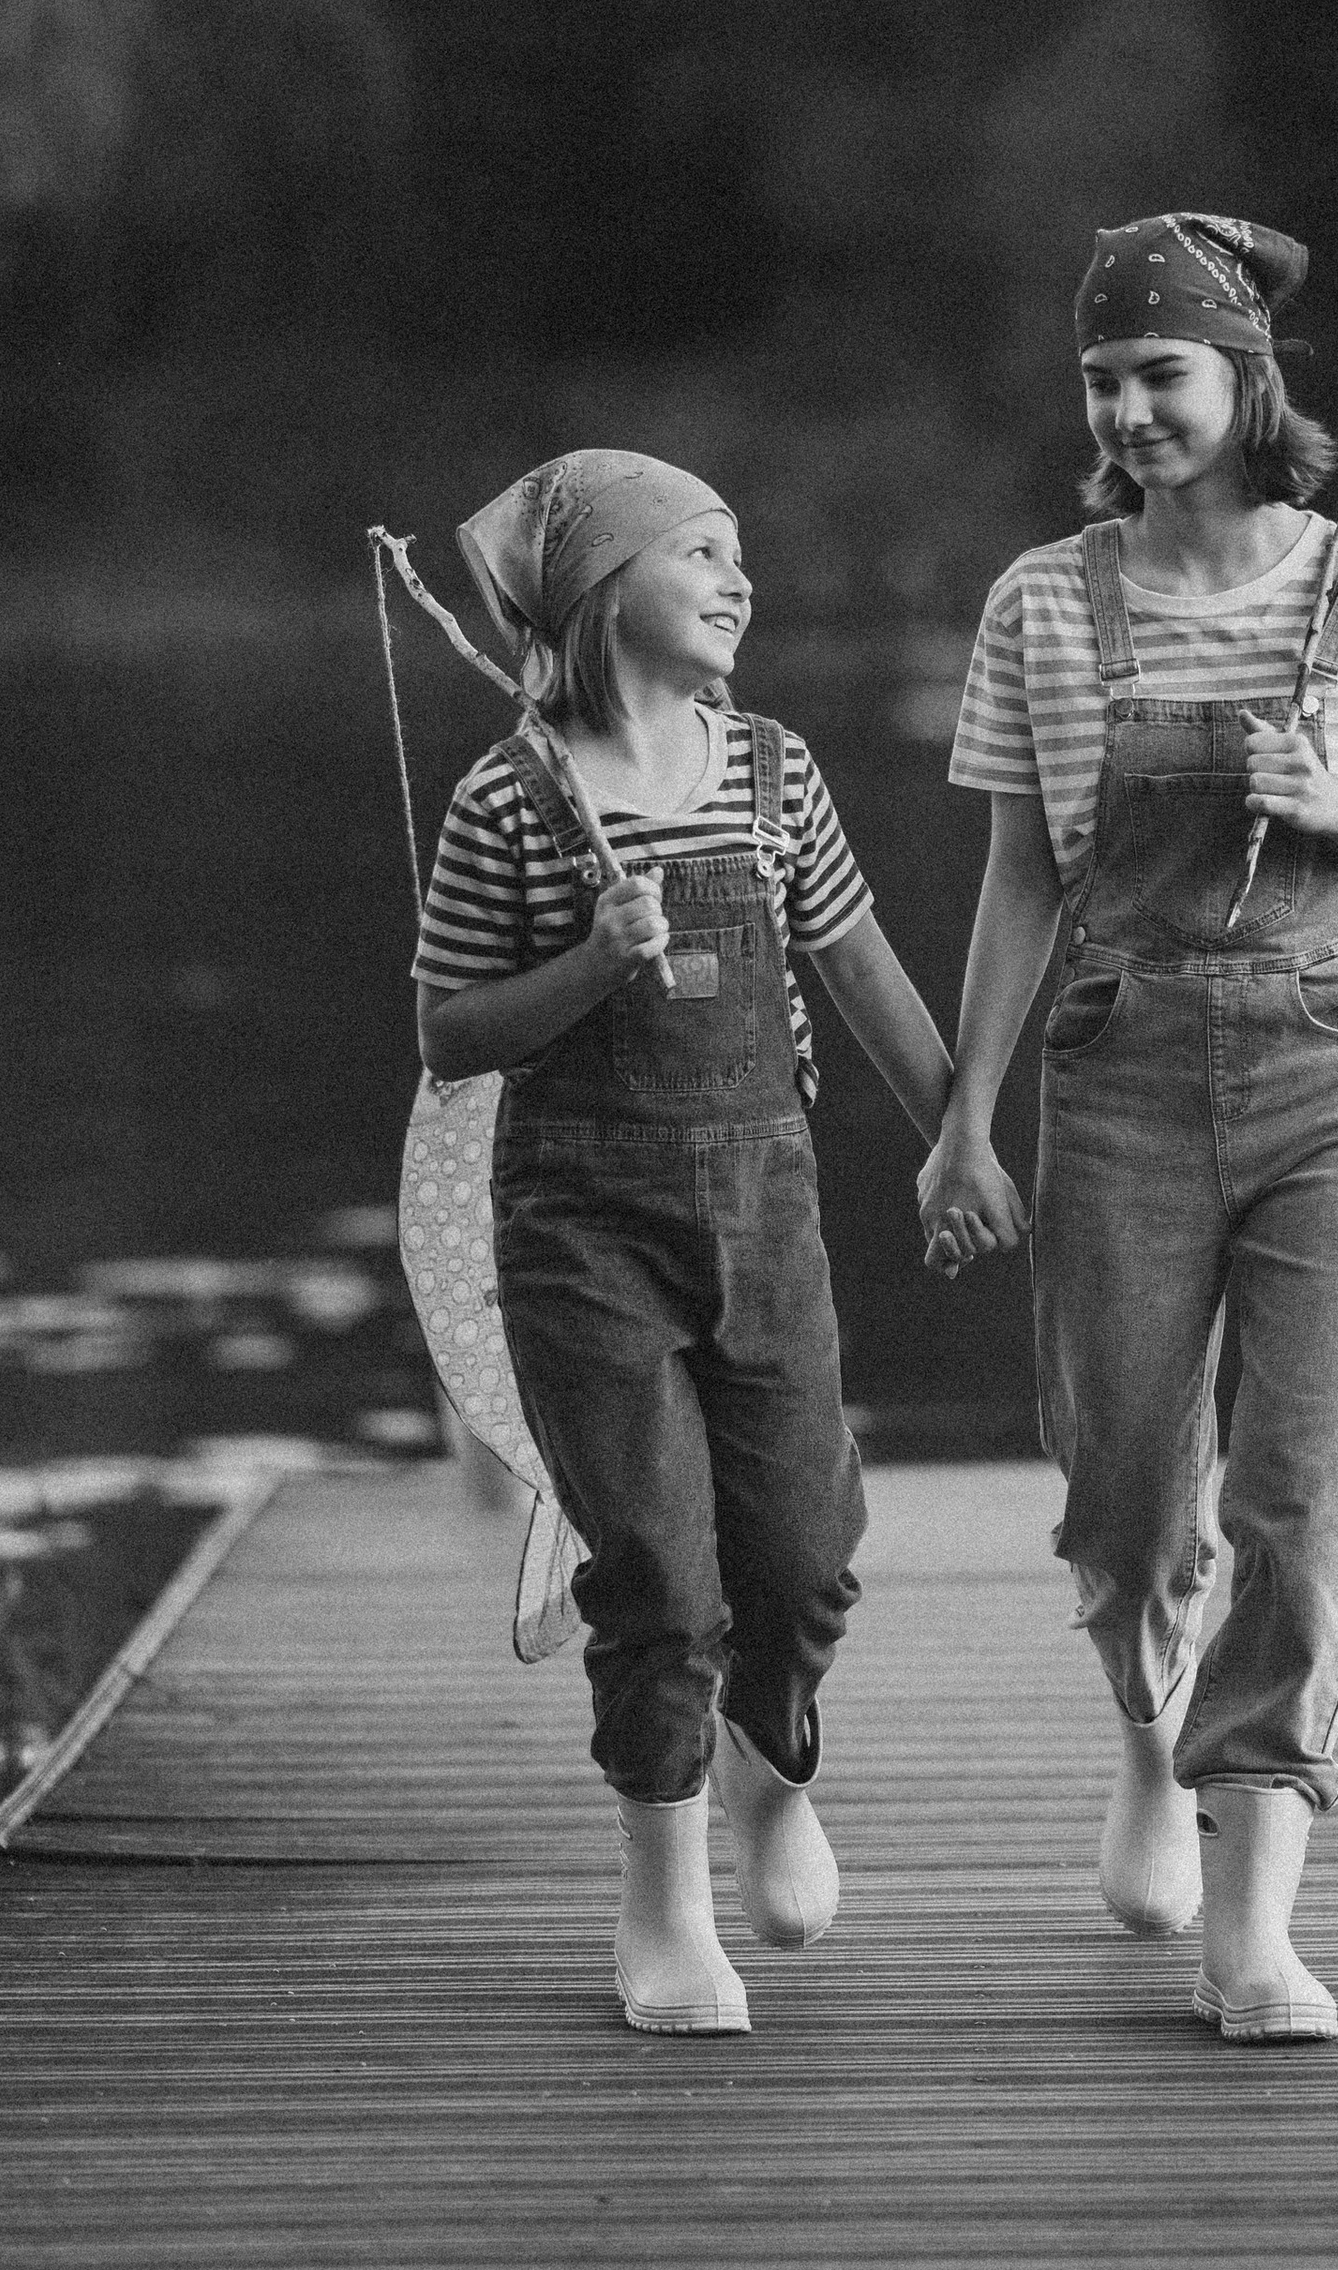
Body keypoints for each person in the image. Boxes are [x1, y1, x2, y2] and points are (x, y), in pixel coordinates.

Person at [918, 214, 1338, 2044]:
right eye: (1104, 381)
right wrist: (963, 1119)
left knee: (1308, 1507)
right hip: (1121, 1066)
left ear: (1249, 382)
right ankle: (1149, 1743)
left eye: (1160, 373)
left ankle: (1255, 1924)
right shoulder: (1041, 602)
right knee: (1127, 1493)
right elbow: (1020, 879)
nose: (1131, 408)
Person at [415, 449, 1021, 2036]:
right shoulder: (513, 799)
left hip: (765, 1214)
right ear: (611, 593)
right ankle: (666, 1906)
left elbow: (864, 973)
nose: (740, 580)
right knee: (662, 1575)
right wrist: (590, 971)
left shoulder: (773, 771)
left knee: (807, 1553)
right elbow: (453, 1029)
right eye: (703, 554)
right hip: (580, 1232)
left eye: (740, 552)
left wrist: (962, 1136)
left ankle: (769, 1764)